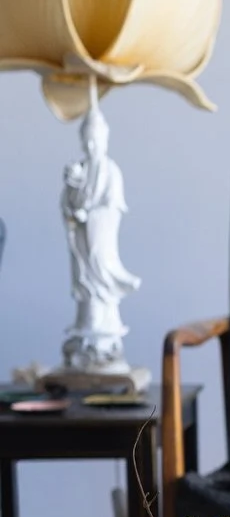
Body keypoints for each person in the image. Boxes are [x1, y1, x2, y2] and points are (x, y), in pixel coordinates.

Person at [60, 96, 140, 371]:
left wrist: (90, 216)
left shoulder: (111, 171)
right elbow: (68, 204)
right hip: (84, 250)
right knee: (87, 298)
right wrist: (72, 193)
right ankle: (86, 347)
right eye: (87, 141)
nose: (92, 146)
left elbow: (112, 208)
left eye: (96, 140)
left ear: (105, 139)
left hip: (99, 245)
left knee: (101, 300)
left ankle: (103, 349)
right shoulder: (81, 170)